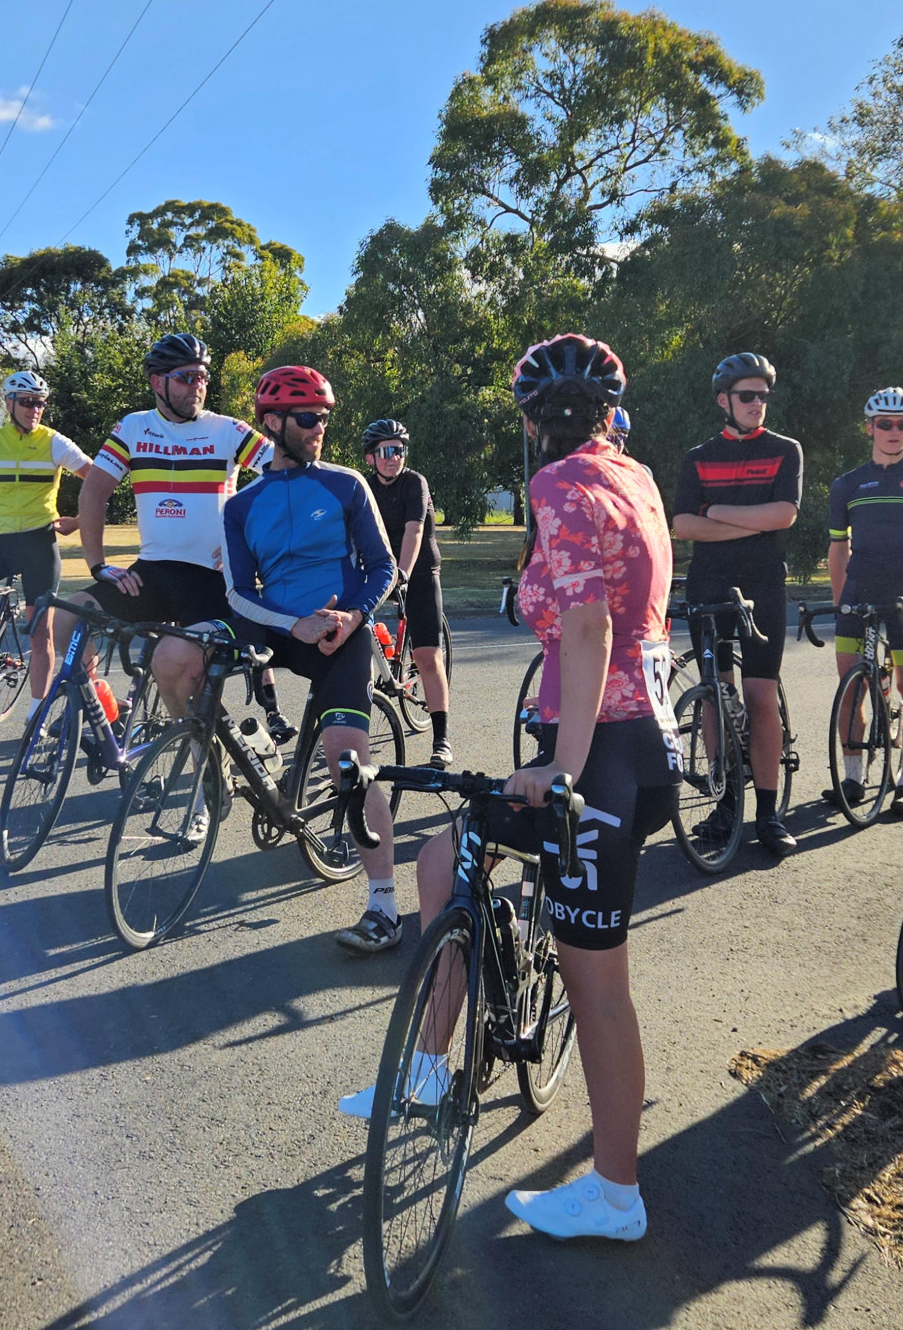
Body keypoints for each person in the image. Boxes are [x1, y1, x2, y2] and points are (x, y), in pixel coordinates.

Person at [335, 335, 679, 1241]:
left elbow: (591, 625)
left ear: (531, 423)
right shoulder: (634, 475)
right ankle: (429, 1068)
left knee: (598, 986)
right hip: (635, 743)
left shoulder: (560, 484)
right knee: (447, 855)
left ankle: (615, 1195)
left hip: (599, 751)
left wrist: (561, 768)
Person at [222, 369, 402, 951]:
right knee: (188, 663)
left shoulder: (348, 484)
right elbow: (236, 590)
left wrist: (352, 617)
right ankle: (229, 774)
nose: (320, 428)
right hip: (280, 627)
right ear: (273, 424)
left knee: (347, 761)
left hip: (340, 631)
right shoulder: (242, 503)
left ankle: (384, 906)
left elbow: (383, 568)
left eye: (325, 417)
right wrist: (289, 623)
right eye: (308, 418)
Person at [51, 332, 275, 724]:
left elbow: (284, 476)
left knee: (178, 669)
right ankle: (101, 705)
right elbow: (92, 495)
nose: (198, 386)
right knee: (68, 619)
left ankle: (210, 755)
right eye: (187, 377)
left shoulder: (228, 430)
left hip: (212, 579)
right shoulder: (134, 428)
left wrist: (248, 540)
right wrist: (97, 565)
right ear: (159, 382)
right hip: (152, 572)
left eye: (202, 377)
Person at [670, 353, 804, 855]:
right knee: (713, 698)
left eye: (763, 396)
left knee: (760, 698)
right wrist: (753, 518)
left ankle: (768, 815)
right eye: (747, 396)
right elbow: (683, 525)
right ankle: (726, 805)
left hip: (763, 586)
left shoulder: (785, 450)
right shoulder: (698, 457)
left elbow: (784, 514)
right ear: (724, 401)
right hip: (710, 584)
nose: (757, 404)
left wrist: (718, 513)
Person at [825, 387, 903, 820]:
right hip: (860, 589)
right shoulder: (848, 484)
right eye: (885, 424)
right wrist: (840, 601)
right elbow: (838, 550)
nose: (894, 432)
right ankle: (853, 777)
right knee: (851, 689)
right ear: (870, 427)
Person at [0, 369, 91, 719]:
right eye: (26, 402)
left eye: (40, 403)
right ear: (9, 403)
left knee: (41, 634)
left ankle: (37, 712)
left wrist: (79, 521)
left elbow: (99, 478)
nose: (34, 409)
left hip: (40, 544)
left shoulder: (54, 441)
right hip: (1, 543)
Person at [361, 418, 453, 767]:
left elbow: (414, 531)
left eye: (398, 450)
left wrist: (403, 574)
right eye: (385, 450)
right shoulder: (366, 487)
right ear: (370, 457)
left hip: (419, 569)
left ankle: (442, 738)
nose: (393, 457)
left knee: (428, 655)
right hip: (383, 568)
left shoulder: (415, 483)